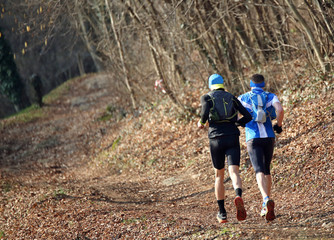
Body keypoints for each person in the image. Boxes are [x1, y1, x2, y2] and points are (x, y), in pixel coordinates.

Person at [197, 73, 252, 223]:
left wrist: (201, 123)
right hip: (232, 136)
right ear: (222, 84)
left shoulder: (206, 97)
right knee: (234, 171)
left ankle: (222, 213)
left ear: (210, 85)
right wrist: (237, 124)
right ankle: (238, 195)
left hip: (215, 139)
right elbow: (248, 116)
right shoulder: (231, 97)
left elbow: (204, 113)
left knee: (219, 176)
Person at [238, 74, 284, 221]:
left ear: (250, 84)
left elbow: (235, 116)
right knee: (267, 169)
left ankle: (265, 199)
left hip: (253, 137)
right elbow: (280, 110)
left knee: (258, 170)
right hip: (269, 136)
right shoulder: (271, 96)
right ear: (263, 83)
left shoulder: (243, 98)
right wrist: (279, 125)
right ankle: (266, 204)